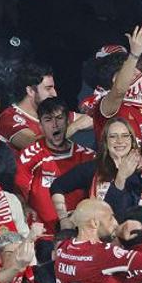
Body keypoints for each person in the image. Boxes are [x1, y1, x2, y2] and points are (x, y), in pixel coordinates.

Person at [14, 98, 95, 229]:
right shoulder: (29, 156)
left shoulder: (88, 156)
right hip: (44, 236)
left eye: (59, 118)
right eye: (48, 120)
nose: (55, 125)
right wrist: (25, 207)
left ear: (68, 121)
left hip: (80, 233)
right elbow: (18, 193)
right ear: (40, 126)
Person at [0, 63, 61, 150]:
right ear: (30, 91)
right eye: (48, 88)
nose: (54, 94)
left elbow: (84, 119)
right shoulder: (8, 118)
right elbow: (37, 146)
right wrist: (75, 126)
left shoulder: (49, 113)